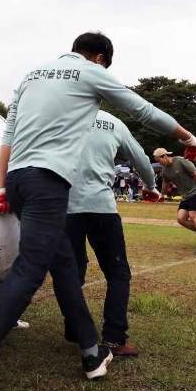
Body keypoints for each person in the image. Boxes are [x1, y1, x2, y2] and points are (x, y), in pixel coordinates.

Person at [0, 32, 196, 391]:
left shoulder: (31, 77)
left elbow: (8, 134)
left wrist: (3, 186)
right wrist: (188, 137)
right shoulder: (90, 71)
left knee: (65, 265)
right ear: (99, 58)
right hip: (48, 183)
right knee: (29, 271)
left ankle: (91, 350)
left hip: (18, 179)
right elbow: (142, 109)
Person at [63, 110, 153, 358]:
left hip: (65, 207)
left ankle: (75, 330)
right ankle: (114, 338)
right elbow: (141, 159)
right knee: (117, 273)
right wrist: (151, 186)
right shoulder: (112, 122)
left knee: (72, 271)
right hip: (101, 207)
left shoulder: (59, 115)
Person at [154, 147, 196, 253]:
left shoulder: (181, 161)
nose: (159, 163)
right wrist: (161, 194)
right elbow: (165, 183)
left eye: (159, 160)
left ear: (165, 156)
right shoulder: (165, 170)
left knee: (193, 216)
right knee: (181, 219)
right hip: (186, 196)